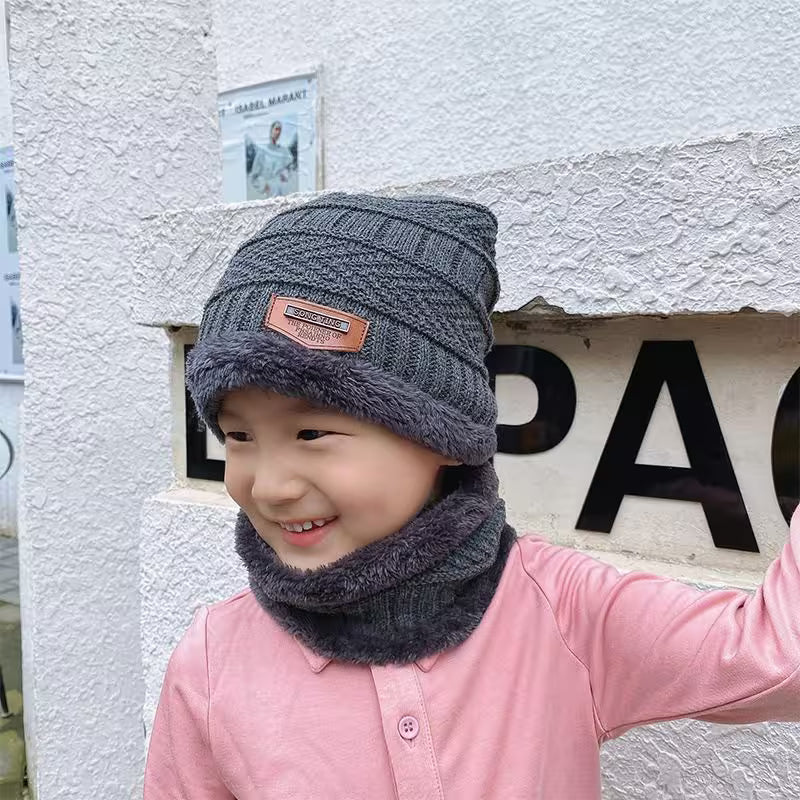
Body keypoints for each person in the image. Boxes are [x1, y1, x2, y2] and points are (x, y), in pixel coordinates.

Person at [143, 192, 800, 799]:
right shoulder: (213, 662)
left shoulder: (559, 613)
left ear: (441, 433)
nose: (270, 485)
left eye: (312, 431)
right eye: (237, 436)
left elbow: (775, 659)